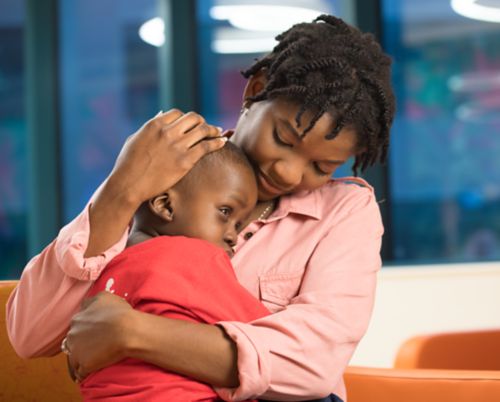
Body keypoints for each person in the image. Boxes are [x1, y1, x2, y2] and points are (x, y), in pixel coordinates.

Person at [7, 15, 395, 401]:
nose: (289, 172)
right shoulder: (168, 170)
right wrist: (121, 192)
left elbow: (311, 366)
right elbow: (29, 335)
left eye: (320, 167)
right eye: (283, 138)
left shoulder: (343, 212)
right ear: (253, 92)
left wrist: (131, 333)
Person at [79, 142, 270, 401]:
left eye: (238, 224)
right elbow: (264, 336)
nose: (232, 236)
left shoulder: (105, 263)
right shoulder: (196, 257)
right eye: (225, 212)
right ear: (165, 205)